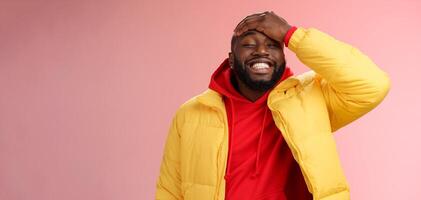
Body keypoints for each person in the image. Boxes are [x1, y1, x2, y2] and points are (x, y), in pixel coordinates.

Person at [155, 11, 391, 200]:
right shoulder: (191, 113)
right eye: (249, 45)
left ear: (283, 55)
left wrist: (291, 35)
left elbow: (372, 84)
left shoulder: (310, 98)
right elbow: (170, 190)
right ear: (231, 59)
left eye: (272, 45)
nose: (261, 51)